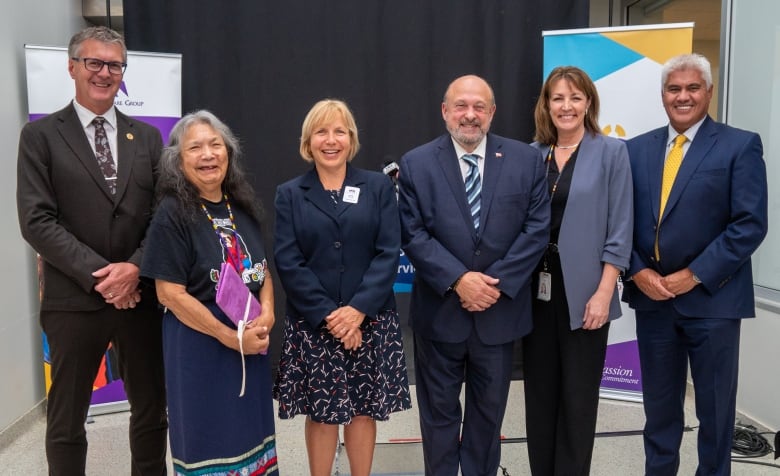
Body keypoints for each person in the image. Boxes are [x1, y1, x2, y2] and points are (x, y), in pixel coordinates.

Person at [16, 26, 167, 475]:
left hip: (140, 299)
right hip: (74, 301)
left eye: (114, 64)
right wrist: (107, 276)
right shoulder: (40, 136)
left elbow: (164, 216)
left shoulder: (149, 138)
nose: (105, 73)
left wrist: (135, 269)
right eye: (94, 63)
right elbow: (37, 221)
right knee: (66, 420)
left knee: (150, 412)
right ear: (72, 67)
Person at [397, 75, 550, 476]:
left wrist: (492, 286)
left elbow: (536, 231)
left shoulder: (526, 160)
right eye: (461, 106)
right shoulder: (416, 163)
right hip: (440, 313)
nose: (470, 115)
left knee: (488, 419)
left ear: (492, 112)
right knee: (438, 418)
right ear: (445, 111)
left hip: (498, 317)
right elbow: (412, 233)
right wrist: (459, 280)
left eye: (479, 107)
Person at [624, 53, 768, 475]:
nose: (682, 96)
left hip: (713, 302)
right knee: (660, 413)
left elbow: (749, 224)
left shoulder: (740, 145)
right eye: (674, 89)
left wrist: (694, 275)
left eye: (692, 88)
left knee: (716, 413)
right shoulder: (636, 149)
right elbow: (620, 222)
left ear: (708, 92)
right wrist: (637, 271)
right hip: (653, 303)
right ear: (663, 95)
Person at [273, 99, 411, 476]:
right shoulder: (290, 193)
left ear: (351, 139)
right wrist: (332, 318)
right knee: (322, 413)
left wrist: (357, 312)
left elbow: (388, 252)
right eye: (321, 131)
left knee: (364, 410)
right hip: (315, 324)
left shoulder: (379, 186)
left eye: (339, 131)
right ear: (308, 141)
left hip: (370, 321)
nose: (330, 140)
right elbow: (288, 260)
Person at [140, 111, 278, 475]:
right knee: (211, 439)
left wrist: (268, 312)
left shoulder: (241, 206)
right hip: (201, 349)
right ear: (177, 160)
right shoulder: (172, 214)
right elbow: (169, 294)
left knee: (252, 438)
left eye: (216, 145)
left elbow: (261, 271)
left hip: (250, 345)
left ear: (228, 153)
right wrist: (228, 338)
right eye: (196, 148)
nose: (208, 155)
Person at [523, 66, 633, 475]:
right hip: (535, 292)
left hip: (586, 293)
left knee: (577, 398)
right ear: (546, 105)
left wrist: (605, 292)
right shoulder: (532, 154)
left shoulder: (612, 152)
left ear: (588, 102)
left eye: (575, 97)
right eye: (557, 98)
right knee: (540, 396)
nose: (566, 106)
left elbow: (620, 228)